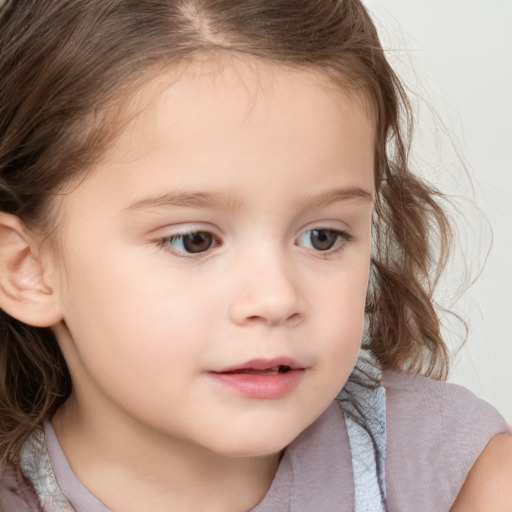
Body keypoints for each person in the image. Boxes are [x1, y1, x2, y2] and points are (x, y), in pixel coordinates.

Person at [0, 1, 510, 511]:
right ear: (28, 271)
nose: (275, 298)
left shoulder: (457, 474)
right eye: (193, 240)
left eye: (323, 237)